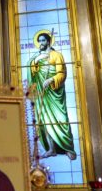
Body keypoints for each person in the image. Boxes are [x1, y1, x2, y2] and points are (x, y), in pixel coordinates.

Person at [28, 32, 76, 160]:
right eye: (39, 41)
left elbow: (62, 73)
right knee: (45, 121)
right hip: (42, 94)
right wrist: (36, 61)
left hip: (54, 93)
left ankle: (67, 148)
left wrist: (51, 80)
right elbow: (32, 72)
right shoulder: (37, 56)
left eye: (43, 40)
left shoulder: (57, 55)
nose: (41, 43)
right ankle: (51, 149)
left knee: (60, 120)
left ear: (48, 41)